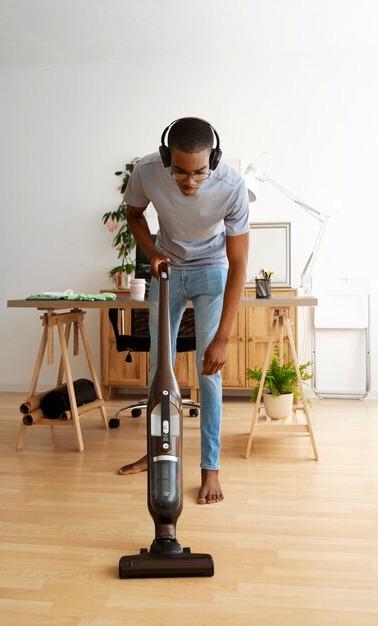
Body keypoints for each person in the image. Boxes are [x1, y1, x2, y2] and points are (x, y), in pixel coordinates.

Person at [117, 117, 249, 504]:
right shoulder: (145, 172)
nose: (190, 182)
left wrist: (222, 339)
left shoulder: (232, 187)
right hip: (169, 269)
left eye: (200, 172)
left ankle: (210, 469)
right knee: (161, 366)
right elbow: (134, 215)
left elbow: (239, 263)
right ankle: (159, 451)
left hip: (212, 270)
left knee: (209, 374)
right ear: (164, 158)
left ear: (215, 160)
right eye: (180, 172)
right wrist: (153, 251)